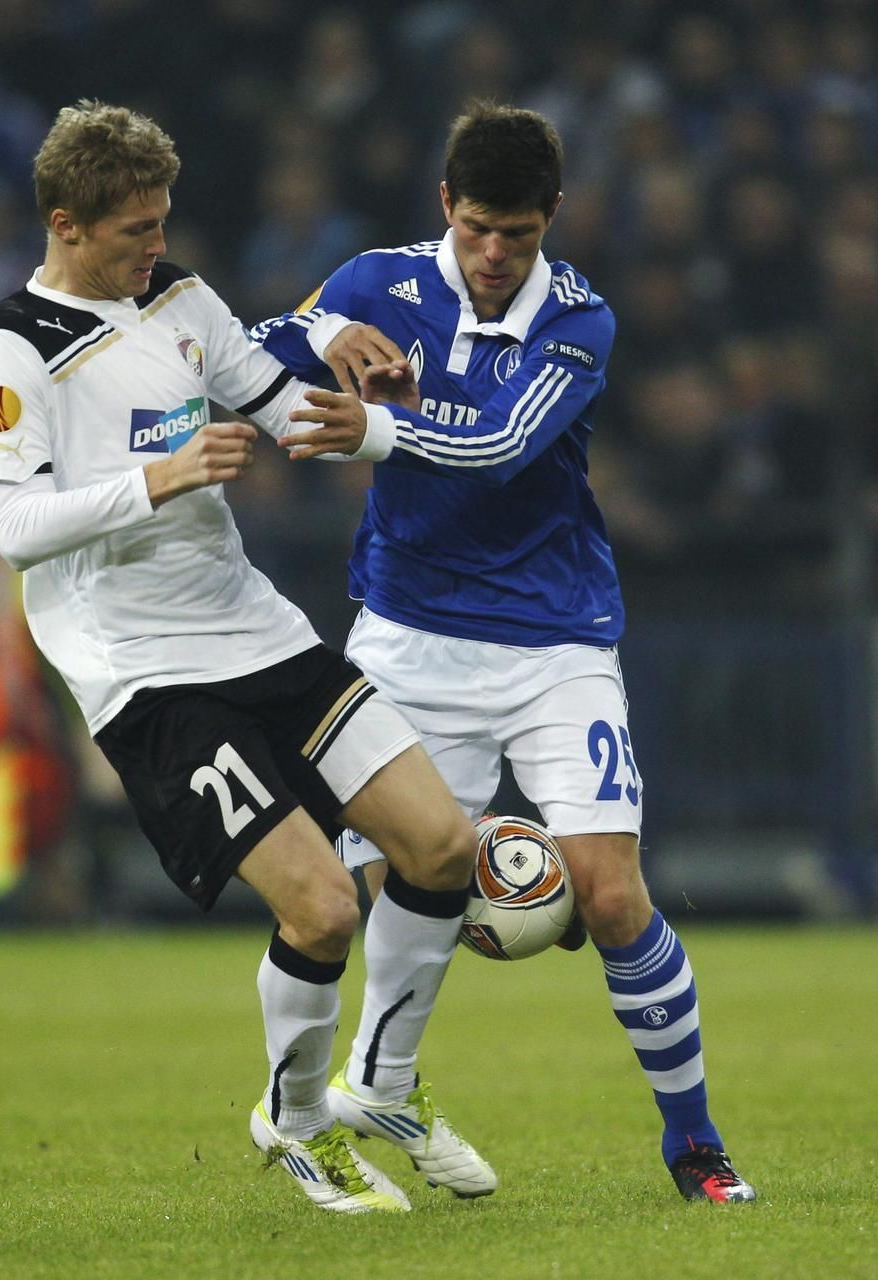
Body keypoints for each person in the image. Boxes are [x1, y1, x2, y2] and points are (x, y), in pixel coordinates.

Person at [0, 99, 496, 1214]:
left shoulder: (183, 298)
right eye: (129, 231)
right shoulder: (12, 348)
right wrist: (158, 478)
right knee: (321, 909)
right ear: (64, 221)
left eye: (160, 222)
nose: (152, 245)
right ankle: (294, 1122)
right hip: (144, 671)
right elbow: (13, 526)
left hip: (256, 629)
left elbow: (271, 399)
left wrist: (354, 407)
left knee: (440, 844)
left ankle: (384, 1085)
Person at [255, 101, 756, 1204]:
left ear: (550, 222)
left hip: (553, 640)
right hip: (404, 634)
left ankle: (695, 1148)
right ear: (445, 205)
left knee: (613, 895)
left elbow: (493, 444)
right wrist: (318, 338)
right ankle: (384, 1080)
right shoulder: (373, 282)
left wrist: (373, 427)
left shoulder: (580, 320)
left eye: (517, 234)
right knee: (396, 879)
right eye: (477, 227)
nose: (493, 256)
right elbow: (255, 351)